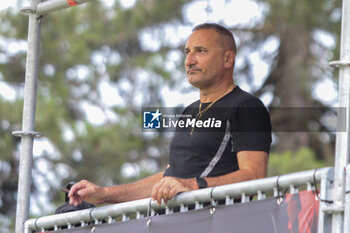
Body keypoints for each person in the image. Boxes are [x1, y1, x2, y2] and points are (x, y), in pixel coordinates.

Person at [69, 23, 272, 207]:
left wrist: (192, 185)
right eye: (187, 52)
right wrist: (103, 194)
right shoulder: (189, 111)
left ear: (228, 59)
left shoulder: (246, 106)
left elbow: (254, 176)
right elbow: (169, 179)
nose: (189, 61)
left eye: (200, 51)